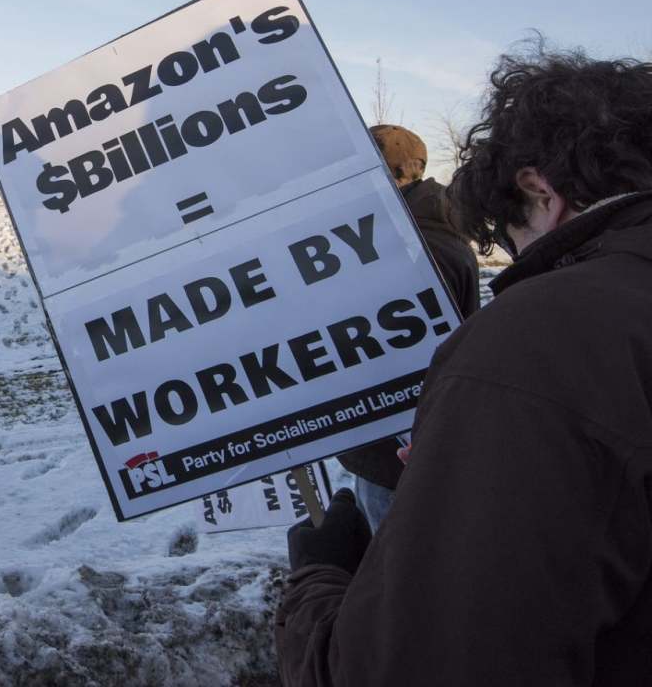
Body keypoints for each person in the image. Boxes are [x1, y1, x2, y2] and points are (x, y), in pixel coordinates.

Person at [276, 44, 652, 685]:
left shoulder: (546, 332)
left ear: (538, 191)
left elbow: (413, 663)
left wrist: (317, 580)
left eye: (512, 235)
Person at [336, 125, 479, 530]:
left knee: (399, 567)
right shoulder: (423, 232)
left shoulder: (415, 246)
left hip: (403, 454)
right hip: (403, 447)